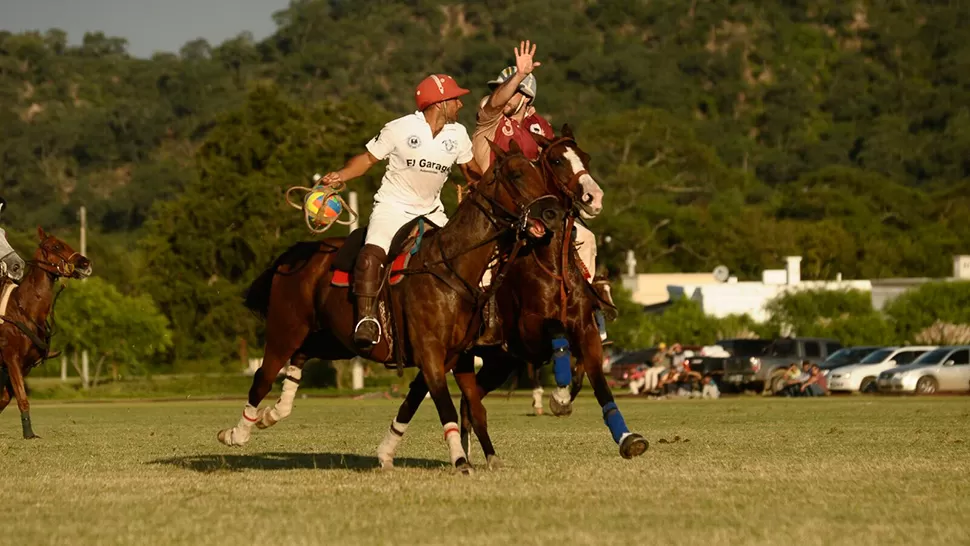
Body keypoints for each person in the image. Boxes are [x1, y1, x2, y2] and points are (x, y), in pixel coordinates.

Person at [320, 74, 484, 350]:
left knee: (464, 253)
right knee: (372, 254)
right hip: (393, 207)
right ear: (439, 103)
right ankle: (367, 319)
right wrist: (341, 175)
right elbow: (368, 159)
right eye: (455, 99)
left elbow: (471, 171)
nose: (460, 104)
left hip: (432, 211)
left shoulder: (458, 135)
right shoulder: (399, 128)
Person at [470, 40, 613, 340]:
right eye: (505, 86)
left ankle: (588, 308)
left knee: (584, 237)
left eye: (514, 88)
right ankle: (480, 317)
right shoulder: (491, 115)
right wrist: (518, 76)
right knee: (483, 260)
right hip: (491, 206)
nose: (506, 93)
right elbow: (495, 102)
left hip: (530, 209)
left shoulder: (541, 128)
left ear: (528, 100)